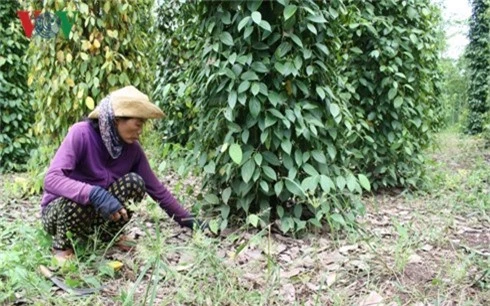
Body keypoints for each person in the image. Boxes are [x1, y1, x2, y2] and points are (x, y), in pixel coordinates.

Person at [40, 85, 201, 262]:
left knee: (134, 182)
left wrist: (190, 221)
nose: (140, 131)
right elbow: (51, 179)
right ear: (116, 119)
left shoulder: (132, 150)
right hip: (60, 214)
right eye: (138, 124)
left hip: (96, 215)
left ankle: (108, 236)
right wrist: (93, 193)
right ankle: (62, 247)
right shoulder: (81, 134)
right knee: (80, 195)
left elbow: (157, 190)